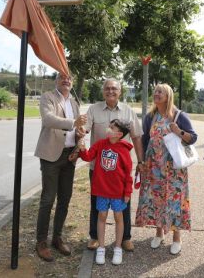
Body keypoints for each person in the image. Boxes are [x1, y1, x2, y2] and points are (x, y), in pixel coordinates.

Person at [82, 78, 143, 252]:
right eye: (107, 88)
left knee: (123, 202)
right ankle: (94, 237)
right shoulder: (94, 109)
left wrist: (140, 160)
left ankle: (125, 238)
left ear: (120, 91)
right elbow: (84, 129)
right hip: (98, 169)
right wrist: (79, 137)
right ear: (103, 91)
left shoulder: (128, 111)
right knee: (96, 203)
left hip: (120, 170)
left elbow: (137, 136)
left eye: (114, 89)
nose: (111, 91)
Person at [135, 83, 197, 255]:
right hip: (154, 166)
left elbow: (193, 138)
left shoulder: (178, 116)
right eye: (155, 91)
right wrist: (142, 162)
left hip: (174, 169)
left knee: (174, 201)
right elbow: (145, 139)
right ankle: (159, 233)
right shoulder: (150, 116)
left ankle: (177, 238)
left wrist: (179, 132)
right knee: (156, 200)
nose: (156, 94)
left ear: (168, 95)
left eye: (160, 91)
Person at [34, 72, 87, 262]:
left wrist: (80, 138)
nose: (66, 80)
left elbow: (77, 130)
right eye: (62, 77)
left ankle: (57, 237)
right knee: (48, 199)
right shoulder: (48, 97)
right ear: (56, 81)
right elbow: (48, 120)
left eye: (69, 78)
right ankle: (41, 241)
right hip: (51, 156)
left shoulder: (74, 103)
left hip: (70, 156)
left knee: (65, 199)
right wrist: (74, 122)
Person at [77, 119, 133, 265]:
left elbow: (128, 174)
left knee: (118, 217)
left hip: (118, 193)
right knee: (101, 216)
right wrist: (82, 149)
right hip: (101, 190)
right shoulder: (101, 144)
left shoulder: (124, 151)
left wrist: (127, 192)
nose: (108, 128)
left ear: (119, 133)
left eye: (111, 127)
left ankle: (118, 248)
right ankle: (101, 248)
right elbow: (88, 157)